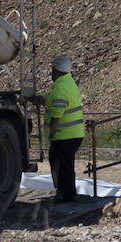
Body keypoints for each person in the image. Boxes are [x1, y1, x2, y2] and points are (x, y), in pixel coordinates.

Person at [46, 54, 85, 203]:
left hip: (65, 135)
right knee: (63, 164)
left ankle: (66, 194)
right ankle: (67, 193)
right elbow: (52, 99)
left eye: (52, 69)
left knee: (62, 165)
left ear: (55, 70)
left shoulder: (61, 87)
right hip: (72, 134)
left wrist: (52, 131)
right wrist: (39, 98)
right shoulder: (68, 83)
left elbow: (57, 112)